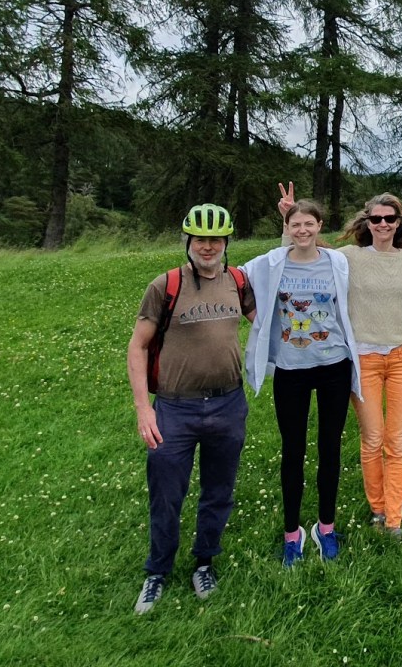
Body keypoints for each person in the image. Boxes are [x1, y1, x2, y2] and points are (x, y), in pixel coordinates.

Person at [127, 203, 255, 614]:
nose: (208, 246)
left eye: (215, 239)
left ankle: (204, 561)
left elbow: (269, 320)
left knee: (218, 491)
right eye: (201, 239)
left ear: (225, 243)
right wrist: (143, 408)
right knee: (166, 493)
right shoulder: (165, 285)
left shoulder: (238, 281)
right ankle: (157, 571)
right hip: (174, 408)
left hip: (228, 402)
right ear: (188, 242)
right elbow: (138, 346)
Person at [242, 198, 362, 566]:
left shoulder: (337, 262)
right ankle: (291, 534)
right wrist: (258, 322)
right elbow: (235, 278)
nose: (303, 231)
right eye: (296, 225)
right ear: (287, 228)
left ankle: (326, 528)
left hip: (334, 366)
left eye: (309, 224)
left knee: (330, 449)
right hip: (291, 369)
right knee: (293, 452)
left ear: (320, 226)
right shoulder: (273, 262)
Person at [334, 192, 402, 539]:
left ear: (399, 223)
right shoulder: (347, 258)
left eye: (390, 219)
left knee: (396, 441)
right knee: (372, 439)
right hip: (364, 360)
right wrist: (287, 223)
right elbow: (304, 256)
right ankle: (378, 509)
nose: (383, 224)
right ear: (365, 223)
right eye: (376, 219)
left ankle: (394, 519)